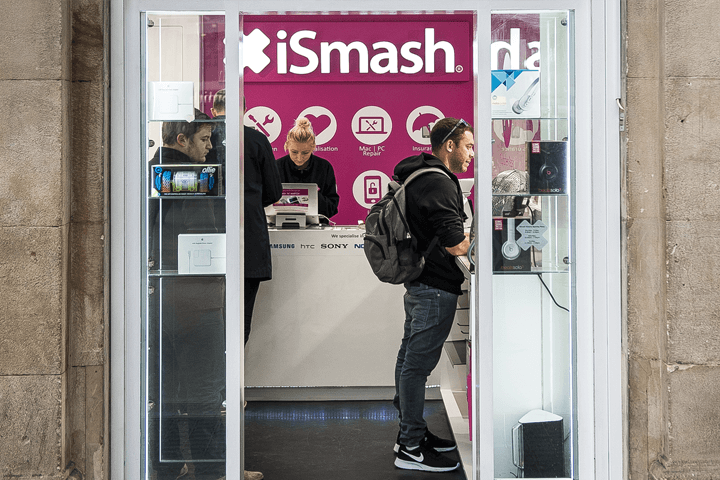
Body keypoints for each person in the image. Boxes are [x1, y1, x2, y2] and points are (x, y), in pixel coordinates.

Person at [391, 117, 474, 473]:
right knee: (416, 367)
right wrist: (479, 240)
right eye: (468, 146)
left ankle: (411, 434)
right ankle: (410, 447)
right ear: (449, 146)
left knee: (409, 360)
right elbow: (456, 243)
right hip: (435, 287)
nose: (471, 154)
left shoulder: (421, 175)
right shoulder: (438, 182)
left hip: (422, 284)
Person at [148, 109, 227, 479]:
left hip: (156, 302)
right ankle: (211, 471)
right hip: (195, 302)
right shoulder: (196, 180)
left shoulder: (145, 173)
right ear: (182, 140)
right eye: (205, 139)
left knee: (161, 396)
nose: (211, 148)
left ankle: (165, 469)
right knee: (204, 396)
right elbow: (206, 243)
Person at [276, 117, 340, 219]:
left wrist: (313, 195)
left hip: (317, 227)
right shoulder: (277, 167)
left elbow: (331, 209)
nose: (299, 158)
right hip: (281, 225)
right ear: (287, 145)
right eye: (294, 152)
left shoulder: (324, 167)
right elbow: (266, 202)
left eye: (305, 153)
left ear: (313, 147)